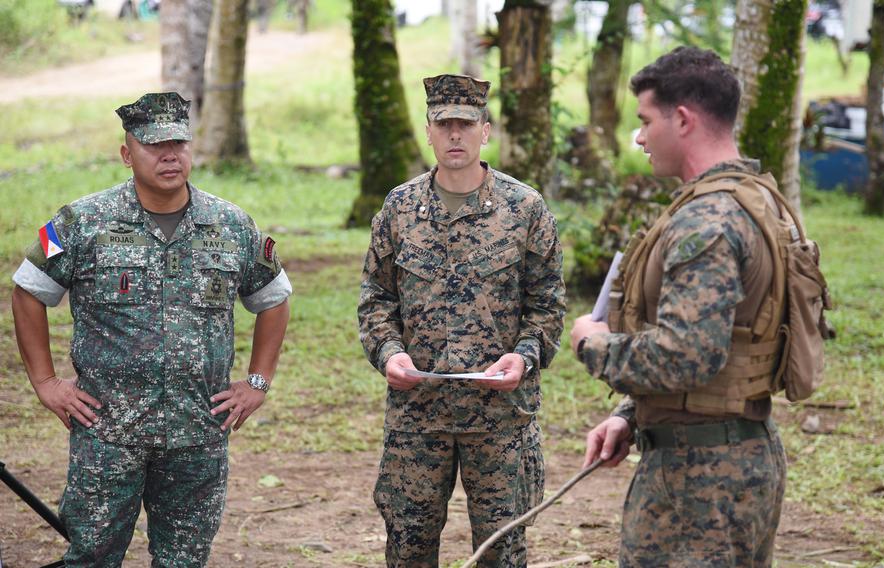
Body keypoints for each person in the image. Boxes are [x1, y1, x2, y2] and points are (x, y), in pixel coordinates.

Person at [11, 92, 292, 567]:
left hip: (198, 434)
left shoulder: (232, 225)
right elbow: (27, 291)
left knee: (183, 561)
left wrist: (258, 381)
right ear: (127, 154)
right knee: (92, 557)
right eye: (155, 145)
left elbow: (273, 298)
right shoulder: (79, 222)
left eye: (179, 143)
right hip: (107, 433)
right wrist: (45, 382)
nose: (170, 155)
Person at [570, 47, 789, 566]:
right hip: (729, 456)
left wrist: (591, 344)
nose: (640, 137)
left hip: (699, 481)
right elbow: (727, 342)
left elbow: (687, 354)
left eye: (645, 121)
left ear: (683, 119)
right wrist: (630, 413)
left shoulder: (706, 221)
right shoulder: (757, 197)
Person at [358, 74, 566, 567]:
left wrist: (525, 356)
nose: (455, 135)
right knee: (407, 545)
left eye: (465, 125)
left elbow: (548, 306)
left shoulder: (525, 210)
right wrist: (389, 354)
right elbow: (376, 300)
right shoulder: (399, 209)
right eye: (443, 124)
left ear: (485, 131)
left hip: (498, 418)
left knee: (501, 550)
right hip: (418, 415)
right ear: (428, 131)